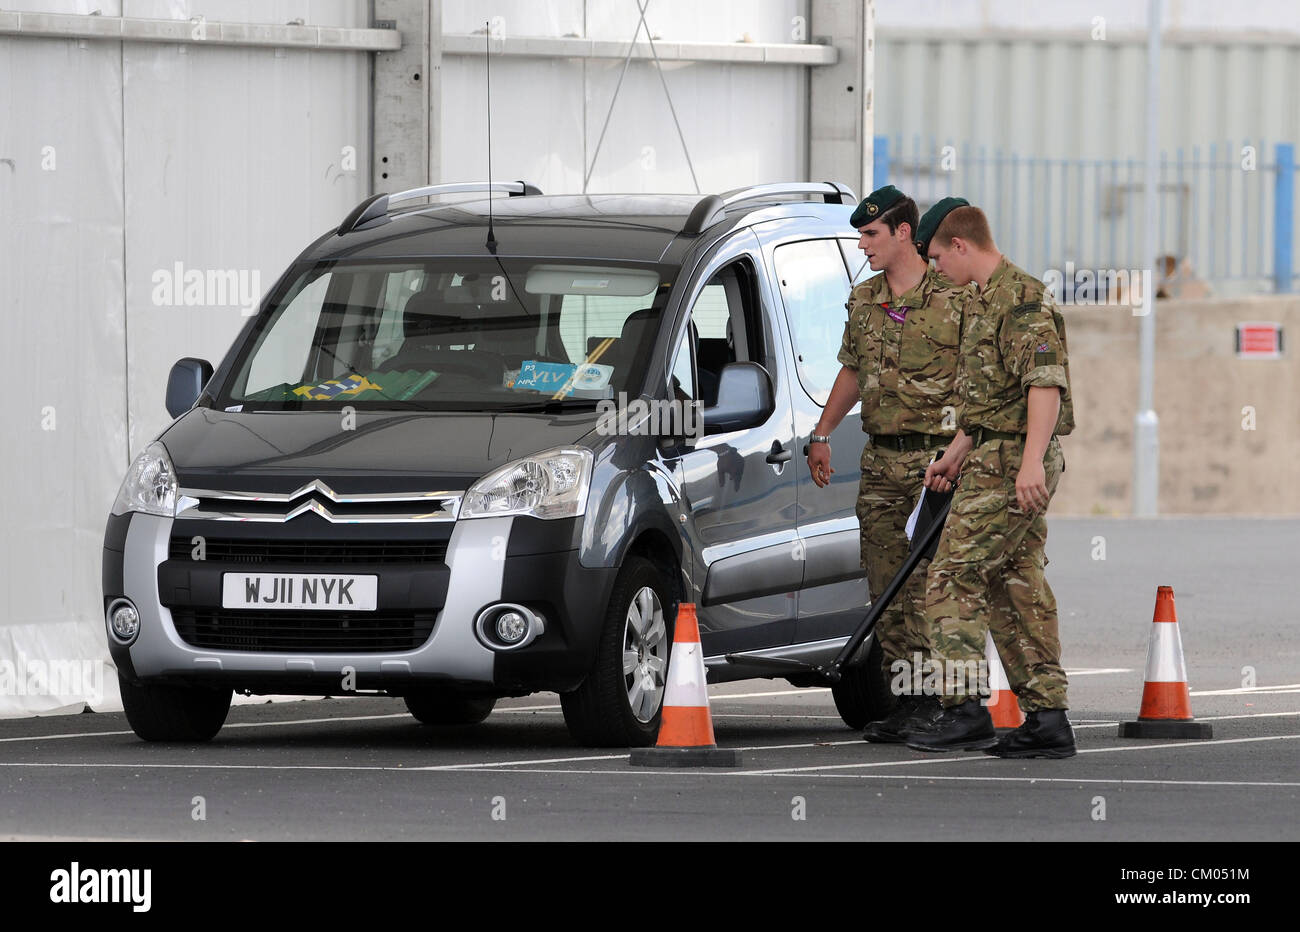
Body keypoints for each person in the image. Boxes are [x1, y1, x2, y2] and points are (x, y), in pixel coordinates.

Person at [903, 200, 1078, 758]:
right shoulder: (981, 299)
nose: (933, 269)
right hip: (993, 454)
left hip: (1011, 465)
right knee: (1016, 586)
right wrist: (956, 452)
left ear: (960, 244)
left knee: (951, 577)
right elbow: (994, 402)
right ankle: (1047, 719)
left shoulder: (1021, 301)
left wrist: (1029, 464)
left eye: (935, 256)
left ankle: (964, 711)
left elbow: (1042, 387)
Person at [806, 185, 968, 742]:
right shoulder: (865, 299)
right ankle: (910, 702)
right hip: (880, 464)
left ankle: (954, 705)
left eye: (870, 234)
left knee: (933, 587)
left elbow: (984, 382)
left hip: (936, 464)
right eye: (859, 235)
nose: (862, 245)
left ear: (904, 232)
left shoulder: (954, 298)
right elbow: (852, 370)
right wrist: (823, 432)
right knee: (888, 590)